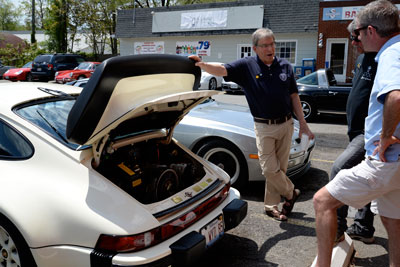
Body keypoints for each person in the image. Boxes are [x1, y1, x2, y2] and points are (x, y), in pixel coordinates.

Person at [189, 28, 314, 221]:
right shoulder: (247, 66)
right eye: (265, 45)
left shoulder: (285, 67)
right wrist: (203, 65)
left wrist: (303, 124)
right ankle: (291, 193)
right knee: (269, 169)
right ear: (255, 48)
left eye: (272, 43)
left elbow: (294, 96)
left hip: (286, 124)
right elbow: (222, 69)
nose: (270, 48)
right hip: (264, 127)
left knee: (279, 170)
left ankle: (272, 206)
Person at [313, 1, 400, 266]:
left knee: (322, 201)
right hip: (395, 162)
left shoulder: (390, 53)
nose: (357, 38)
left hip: (385, 158)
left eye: (358, 33)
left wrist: (385, 136)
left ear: (371, 31)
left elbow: (395, 96)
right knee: (391, 217)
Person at [331, 20, 377, 244]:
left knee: (339, 169)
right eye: (351, 38)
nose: (353, 42)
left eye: (355, 37)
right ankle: (363, 226)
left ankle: (338, 227)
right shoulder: (361, 59)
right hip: (355, 131)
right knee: (367, 179)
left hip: (368, 133)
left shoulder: (383, 59)